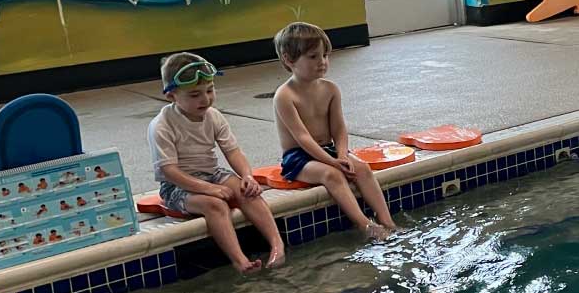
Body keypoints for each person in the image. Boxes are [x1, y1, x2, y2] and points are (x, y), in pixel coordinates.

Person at [149, 52, 284, 273]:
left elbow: (233, 152)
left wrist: (247, 176)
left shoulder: (214, 116)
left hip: (212, 173)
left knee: (248, 191)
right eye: (194, 95)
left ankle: (277, 245)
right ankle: (240, 261)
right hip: (176, 186)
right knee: (215, 205)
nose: (205, 99)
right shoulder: (162, 125)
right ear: (171, 95)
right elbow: (169, 171)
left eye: (210, 90)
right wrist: (208, 189)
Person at [273, 23, 397, 241]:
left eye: (325, 55)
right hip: (298, 158)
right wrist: (333, 163)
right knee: (332, 175)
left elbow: (339, 129)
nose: (322, 62)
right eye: (313, 57)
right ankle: (365, 225)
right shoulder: (285, 96)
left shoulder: (330, 89)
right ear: (288, 59)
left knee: (362, 168)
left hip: (328, 150)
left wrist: (341, 155)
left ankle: (388, 222)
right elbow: (302, 138)